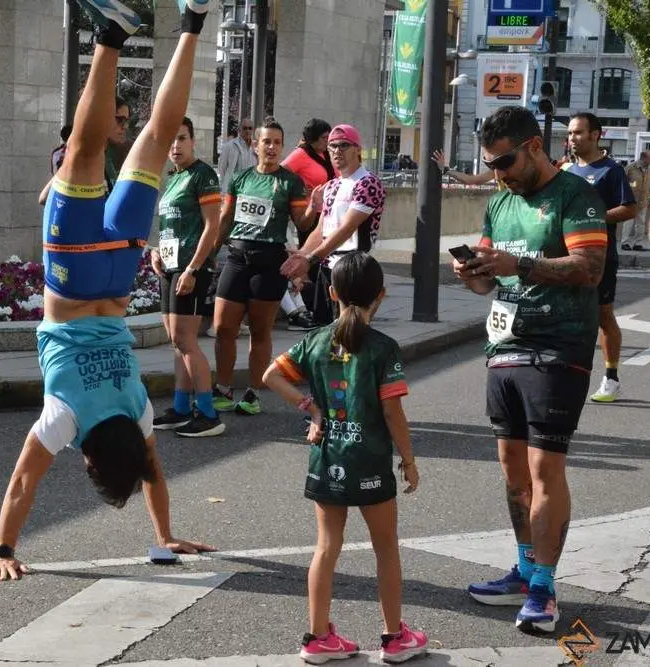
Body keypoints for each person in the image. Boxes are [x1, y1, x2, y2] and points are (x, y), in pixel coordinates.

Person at [0, 0, 215, 582]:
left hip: (118, 275)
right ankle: (109, 36)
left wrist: (165, 534)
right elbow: (22, 482)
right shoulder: (64, 419)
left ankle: (192, 20)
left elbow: (154, 473)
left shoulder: (139, 414)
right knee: (85, 156)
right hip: (73, 276)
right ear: (87, 458)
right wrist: (4, 552)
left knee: (158, 141)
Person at [455, 106, 607, 633]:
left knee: (545, 471)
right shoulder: (499, 203)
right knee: (512, 470)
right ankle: (523, 570)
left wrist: (517, 264)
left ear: (536, 146)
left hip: (558, 348)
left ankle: (544, 587)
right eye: (492, 164)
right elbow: (487, 282)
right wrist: (472, 272)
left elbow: (589, 269)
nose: (499, 174)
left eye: (506, 161)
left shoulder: (575, 196)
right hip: (505, 347)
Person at [263, 252, 427, 664]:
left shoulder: (315, 341)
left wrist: (312, 409)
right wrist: (408, 459)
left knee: (326, 548)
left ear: (331, 292)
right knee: (386, 548)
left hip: (327, 456)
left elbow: (270, 376)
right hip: (370, 460)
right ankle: (394, 638)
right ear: (381, 296)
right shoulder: (383, 348)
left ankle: (317, 637)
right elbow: (393, 412)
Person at [211, 118, 313, 417]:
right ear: (254, 145)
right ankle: (224, 387)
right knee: (223, 327)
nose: (271, 147)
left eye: (277, 142)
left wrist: (313, 206)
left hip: (269, 261)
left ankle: (254, 392)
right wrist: (209, 255)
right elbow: (226, 219)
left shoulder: (289, 181)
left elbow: (303, 223)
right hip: (237, 256)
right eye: (266, 141)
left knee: (259, 330)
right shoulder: (241, 178)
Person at [150, 116, 225, 437]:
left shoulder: (203, 175)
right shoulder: (173, 178)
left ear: (193, 141)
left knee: (186, 340)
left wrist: (194, 268)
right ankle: (181, 408)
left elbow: (212, 226)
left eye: (181, 138)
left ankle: (208, 414)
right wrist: (157, 251)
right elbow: (173, 226)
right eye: (170, 141)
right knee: (176, 341)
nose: (175, 146)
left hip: (191, 268)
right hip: (169, 265)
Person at [564, 113, 638, 403]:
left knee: (603, 315)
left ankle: (611, 377)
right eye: (570, 133)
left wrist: (593, 219)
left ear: (596, 135)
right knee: (571, 316)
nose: (573, 138)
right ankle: (571, 373)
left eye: (579, 133)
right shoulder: (567, 171)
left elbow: (630, 209)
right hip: (569, 255)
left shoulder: (611, 170)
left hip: (602, 257)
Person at [282, 125, 387, 299]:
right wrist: (301, 255)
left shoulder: (368, 183)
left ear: (358, 150)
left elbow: (347, 228)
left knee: (348, 324)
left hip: (354, 267)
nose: (337, 150)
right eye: (332, 145)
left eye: (344, 145)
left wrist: (310, 259)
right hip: (327, 267)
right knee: (325, 323)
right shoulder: (332, 185)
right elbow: (322, 229)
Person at [281, 118, 336, 331]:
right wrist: (300, 190)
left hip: (329, 215)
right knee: (313, 262)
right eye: (324, 138)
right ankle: (315, 310)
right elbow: (282, 174)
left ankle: (323, 309)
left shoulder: (324, 155)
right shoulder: (301, 154)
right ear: (313, 138)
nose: (328, 141)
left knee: (324, 262)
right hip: (311, 217)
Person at [622, 150, 650, 251]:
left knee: (641, 223)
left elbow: (649, 185)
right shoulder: (630, 168)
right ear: (644, 158)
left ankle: (637, 243)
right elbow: (623, 183)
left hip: (643, 200)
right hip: (631, 200)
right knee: (628, 222)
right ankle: (625, 242)